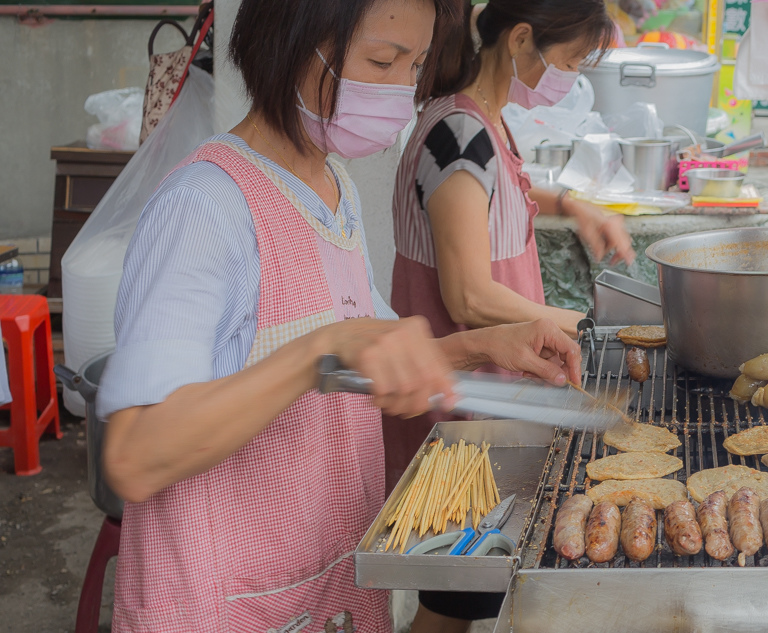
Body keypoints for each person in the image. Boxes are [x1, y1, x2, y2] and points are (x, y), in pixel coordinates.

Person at [96, 0, 583, 631]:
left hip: (326, 590)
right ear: (291, 46)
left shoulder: (335, 191)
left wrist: (491, 345)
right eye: (381, 61)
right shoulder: (204, 206)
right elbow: (135, 456)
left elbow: (365, 358)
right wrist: (315, 351)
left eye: (413, 66)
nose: (401, 91)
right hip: (221, 605)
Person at [389, 1, 631, 630]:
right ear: (522, 39)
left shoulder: (483, 123)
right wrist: (580, 323)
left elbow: (493, 193)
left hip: (492, 405)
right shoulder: (457, 130)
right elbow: (468, 293)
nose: (568, 77)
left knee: (469, 593)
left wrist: (572, 204)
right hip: (463, 410)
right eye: (570, 61)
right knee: (450, 600)